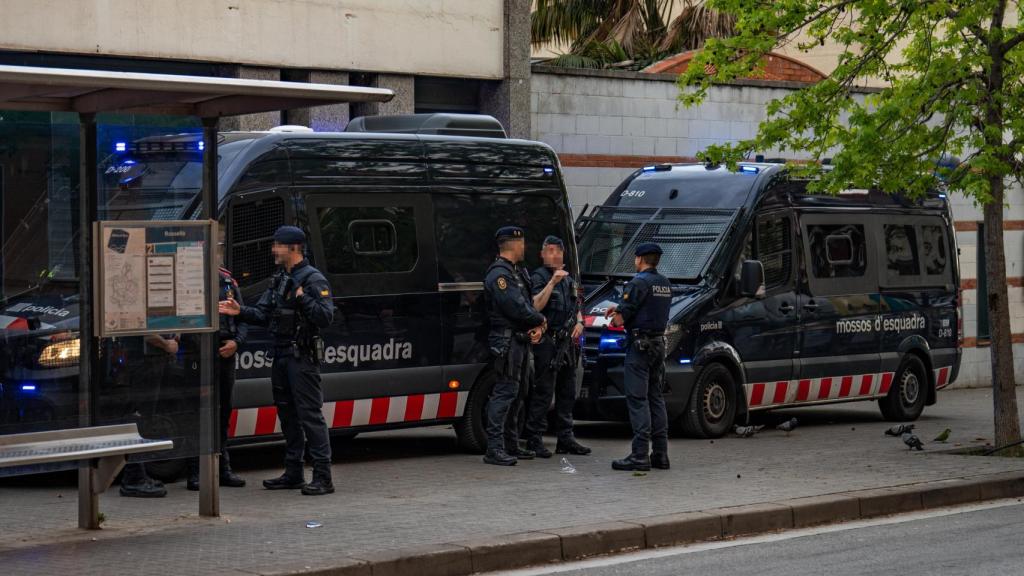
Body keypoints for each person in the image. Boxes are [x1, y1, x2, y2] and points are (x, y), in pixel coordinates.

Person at [219, 226, 336, 496]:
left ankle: (323, 476)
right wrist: (240, 311)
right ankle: (293, 472)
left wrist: (303, 298)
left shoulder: (312, 279)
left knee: (309, 415)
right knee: (287, 415)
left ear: (293, 248)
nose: (273, 249)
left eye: (277, 245)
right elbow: (262, 313)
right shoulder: (281, 278)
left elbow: (325, 316)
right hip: (281, 355)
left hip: (301, 357)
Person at [603, 243, 672, 472]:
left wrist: (615, 317)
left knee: (637, 399)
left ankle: (639, 454)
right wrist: (620, 308)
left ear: (640, 259)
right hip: (658, 346)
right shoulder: (664, 283)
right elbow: (646, 309)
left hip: (639, 348)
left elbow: (620, 320)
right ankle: (660, 455)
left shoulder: (638, 282)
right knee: (656, 398)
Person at [522, 235, 591, 458]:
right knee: (543, 392)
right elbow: (534, 306)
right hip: (546, 342)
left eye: (558, 251)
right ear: (542, 254)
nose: (555, 254)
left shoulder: (569, 280)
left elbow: (576, 306)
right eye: (550, 250)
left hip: (567, 344)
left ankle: (566, 438)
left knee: (567, 392)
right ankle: (534, 439)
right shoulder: (539, 277)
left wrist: (580, 322)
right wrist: (553, 282)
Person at [482, 226, 546, 466]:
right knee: (504, 393)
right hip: (506, 341)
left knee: (518, 394)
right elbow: (514, 306)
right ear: (513, 245)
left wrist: (536, 324)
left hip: (519, 340)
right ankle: (494, 448)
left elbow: (526, 303)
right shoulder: (500, 275)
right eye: (521, 244)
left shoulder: (516, 272)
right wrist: (539, 320)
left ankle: (511, 443)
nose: (524, 247)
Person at [185, 266, 248, 491]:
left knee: (223, 412)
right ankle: (196, 471)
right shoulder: (187, 276)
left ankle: (223, 469)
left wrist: (237, 342)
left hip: (225, 351)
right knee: (199, 413)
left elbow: (241, 315)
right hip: (198, 353)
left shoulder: (227, 281)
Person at [118, 334, 178, 498]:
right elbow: (144, 330)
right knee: (139, 420)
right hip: (144, 361)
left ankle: (137, 475)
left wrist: (174, 339)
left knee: (143, 419)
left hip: (151, 359)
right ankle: (133, 478)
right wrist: (167, 344)